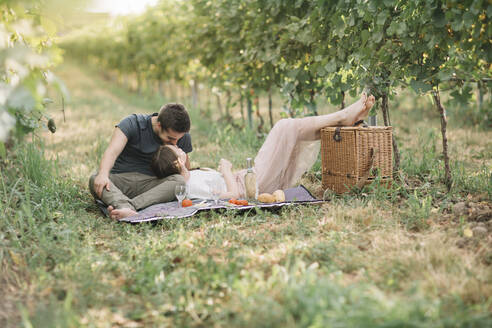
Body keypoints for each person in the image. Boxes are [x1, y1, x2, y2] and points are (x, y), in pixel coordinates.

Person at [147, 93, 376, 210]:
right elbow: (228, 198)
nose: (180, 149)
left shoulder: (191, 177)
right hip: (253, 185)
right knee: (284, 127)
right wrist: (227, 171)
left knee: (289, 133)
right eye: (176, 151)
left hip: (251, 178)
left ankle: (343, 119)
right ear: (176, 164)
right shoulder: (190, 186)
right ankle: (342, 117)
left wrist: (230, 172)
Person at [89, 103, 193, 220]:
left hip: (152, 186)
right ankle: (126, 206)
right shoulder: (132, 123)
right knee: (96, 178)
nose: (175, 143)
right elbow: (112, 151)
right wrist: (103, 174)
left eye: (178, 139)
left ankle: (127, 207)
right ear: (159, 125)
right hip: (122, 181)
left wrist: (182, 162)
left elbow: (186, 173)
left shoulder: (181, 136)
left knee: (179, 181)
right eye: (170, 138)